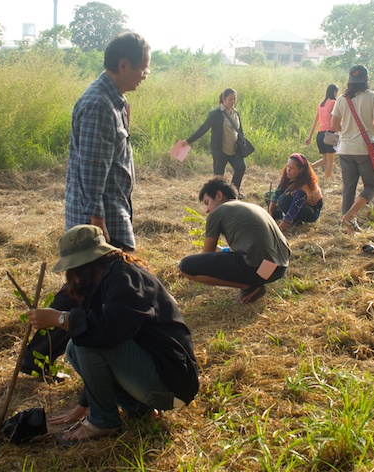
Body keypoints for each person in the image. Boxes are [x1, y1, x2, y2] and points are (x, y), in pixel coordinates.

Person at [22, 32, 151, 377]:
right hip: (102, 221)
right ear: (123, 65)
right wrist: (99, 231)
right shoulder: (97, 104)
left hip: (112, 213)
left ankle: (36, 358)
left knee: (86, 290)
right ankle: (40, 358)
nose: (144, 75)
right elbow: (93, 170)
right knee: (90, 290)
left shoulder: (117, 102)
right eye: (142, 68)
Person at [26, 225, 199, 445]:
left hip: (171, 385)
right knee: (74, 347)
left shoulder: (126, 277)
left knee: (84, 340)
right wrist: (83, 403)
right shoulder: (108, 277)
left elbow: (108, 332)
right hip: (157, 382)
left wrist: (62, 319)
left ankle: (102, 421)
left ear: (85, 265)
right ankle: (138, 409)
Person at [179, 178, 290, 304]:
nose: (207, 210)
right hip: (278, 269)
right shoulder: (252, 207)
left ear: (219, 195)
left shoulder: (217, 213)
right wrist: (223, 251)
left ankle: (249, 287)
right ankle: (255, 283)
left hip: (256, 268)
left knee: (186, 266)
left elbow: (206, 257)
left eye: (207, 202)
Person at [330, 64, 374, 233]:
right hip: (364, 149)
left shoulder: (342, 99)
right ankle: (350, 216)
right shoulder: (373, 97)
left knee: (348, 188)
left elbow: (333, 125)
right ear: (366, 80)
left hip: (345, 148)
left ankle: (348, 229)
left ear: (350, 81)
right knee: (372, 185)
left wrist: (348, 129)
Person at [179, 88, 248, 193]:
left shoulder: (236, 113)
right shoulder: (216, 113)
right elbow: (203, 128)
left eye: (234, 99)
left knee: (241, 168)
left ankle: (234, 193)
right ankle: (218, 197)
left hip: (234, 150)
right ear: (224, 99)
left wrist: (242, 144)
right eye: (230, 99)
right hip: (220, 151)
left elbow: (240, 131)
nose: (233, 102)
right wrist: (187, 141)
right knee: (218, 177)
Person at [268, 153, 323, 232]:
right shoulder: (287, 176)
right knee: (269, 195)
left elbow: (293, 209)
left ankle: (295, 221)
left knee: (284, 200)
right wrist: (270, 214)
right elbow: (276, 194)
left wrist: (278, 231)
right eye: (288, 166)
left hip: (311, 211)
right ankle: (277, 216)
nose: (288, 170)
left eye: (292, 168)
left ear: (301, 170)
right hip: (296, 203)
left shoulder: (304, 187)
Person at [305, 84, 339, 180]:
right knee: (330, 161)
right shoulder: (334, 103)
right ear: (334, 92)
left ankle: (309, 167)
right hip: (330, 134)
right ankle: (327, 181)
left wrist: (310, 136)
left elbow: (315, 121)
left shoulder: (321, 104)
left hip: (320, 134)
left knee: (325, 160)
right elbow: (336, 119)